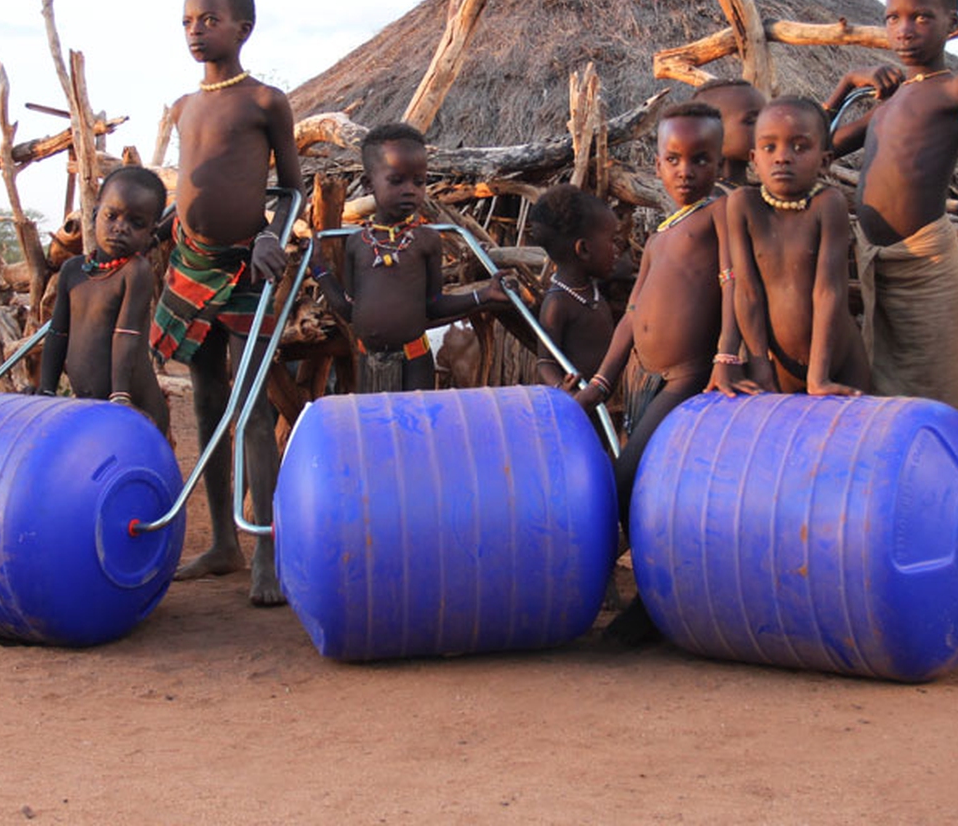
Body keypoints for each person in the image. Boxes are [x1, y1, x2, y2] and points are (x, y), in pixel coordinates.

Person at [155, 0, 301, 606]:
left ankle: (265, 548)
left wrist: (274, 235)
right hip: (190, 264)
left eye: (209, 19)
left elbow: (291, 189)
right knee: (209, 404)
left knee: (253, 410)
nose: (195, 30)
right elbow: (190, 183)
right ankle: (221, 544)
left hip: (246, 266)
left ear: (243, 29)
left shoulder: (265, 102)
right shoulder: (185, 107)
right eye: (188, 20)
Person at [825, 0, 958, 426]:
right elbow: (820, 144)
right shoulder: (890, 103)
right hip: (878, 261)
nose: (905, 29)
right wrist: (848, 81)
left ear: (952, 23)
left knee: (946, 384)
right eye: (894, 17)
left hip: (928, 260)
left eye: (921, 17)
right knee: (888, 389)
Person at [577, 103, 725, 642]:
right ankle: (637, 599)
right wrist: (602, 382)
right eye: (674, 159)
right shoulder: (662, 234)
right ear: (657, 165)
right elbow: (633, 313)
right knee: (644, 487)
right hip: (643, 379)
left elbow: (739, 290)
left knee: (629, 485)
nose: (686, 170)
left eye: (701, 159)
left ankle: (652, 606)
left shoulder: (723, 216)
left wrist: (728, 358)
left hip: (688, 375)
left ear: (720, 163)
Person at [309, 123, 511, 392]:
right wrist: (320, 271)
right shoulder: (357, 244)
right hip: (368, 363)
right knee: (377, 429)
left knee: (415, 428)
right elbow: (349, 310)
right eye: (397, 180)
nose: (410, 190)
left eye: (419, 181)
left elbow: (434, 305)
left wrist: (484, 296)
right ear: (369, 184)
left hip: (415, 361)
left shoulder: (426, 240)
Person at [713, 96, 870, 396]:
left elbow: (829, 291)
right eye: (769, 147)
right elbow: (746, 291)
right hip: (780, 367)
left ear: (824, 161)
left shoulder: (827, 204)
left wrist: (818, 377)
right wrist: (760, 367)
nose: (782, 157)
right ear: (754, 158)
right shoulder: (743, 205)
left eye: (800, 147)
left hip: (839, 362)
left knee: (849, 439)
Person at [39, 166, 170, 436]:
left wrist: (120, 397)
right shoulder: (73, 271)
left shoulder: (135, 271)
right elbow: (57, 333)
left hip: (135, 408)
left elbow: (127, 335)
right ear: (95, 214)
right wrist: (46, 390)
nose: (120, 227)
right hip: (95, 408)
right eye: (112, 216)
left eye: (136, 223)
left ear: (151, 232)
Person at [524, 184, 620, 391]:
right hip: (580, 406)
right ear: (584, 249)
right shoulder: (557, 303)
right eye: (612, 241)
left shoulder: (591, 290)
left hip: (605, 403)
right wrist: (562, 390)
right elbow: (545, 362)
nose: (617, 249)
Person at [695, 77, 766, 190]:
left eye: (766, 119)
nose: (766, 127)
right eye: (752, 121)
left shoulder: (759, 192)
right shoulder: (713, 202)